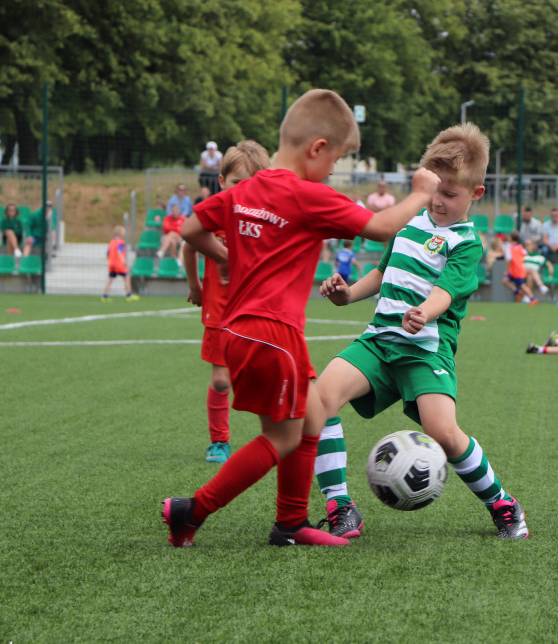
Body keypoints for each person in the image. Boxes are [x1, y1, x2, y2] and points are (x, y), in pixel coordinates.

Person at [162, 89, 441, 548]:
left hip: (237, 329)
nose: (334, 170)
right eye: (337, 159)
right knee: (283, 437)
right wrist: (420, 193)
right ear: (316, 148)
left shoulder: (243, 190)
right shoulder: (308, 195)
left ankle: (290, 523)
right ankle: (192, 510)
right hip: (275, 335)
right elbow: (383, 227)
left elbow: (190, 229)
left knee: (311, 417)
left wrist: (228, 259)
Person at [313, 122, 529, 541]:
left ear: (476, 194)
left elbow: (447, 291)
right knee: (319, 399)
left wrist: (424, 313)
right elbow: (382, 271)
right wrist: (347, 295)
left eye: (451, 194)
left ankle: (502, 503)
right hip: (378, 343)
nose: (439, 201)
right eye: (434, 190)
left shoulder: (466, 242)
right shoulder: (408, 222)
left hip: (425, 352)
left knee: (444, 433)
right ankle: (341, 507)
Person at [183, 140, 272, 465]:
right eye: (237, 183)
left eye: (252, 183)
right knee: (221, 379)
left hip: (256, 309)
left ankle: (279, 435)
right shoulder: (214, 212)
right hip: (219, 309)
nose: (244, 190)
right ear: (221, 182)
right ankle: (219, 441)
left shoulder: (264, 217)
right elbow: (188, 244)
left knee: (263, 377)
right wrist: (196, 286)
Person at [101, 225, 139, 301]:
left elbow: (108, 253)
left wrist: (109, 261)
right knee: (127, 277)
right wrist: (123, 260)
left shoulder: (111, 242)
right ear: (121, 234)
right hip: (119, 264)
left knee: (110, 279)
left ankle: (104, 296)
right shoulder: (121, 242)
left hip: (111, 264)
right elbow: (119, 251)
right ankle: (129, 295)